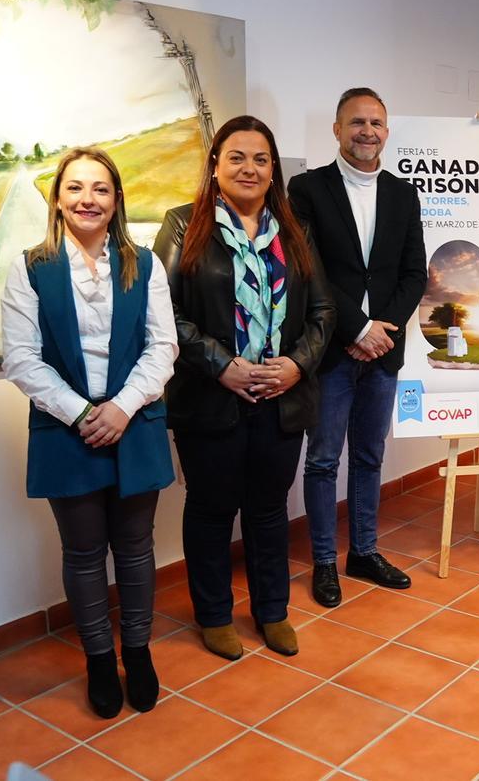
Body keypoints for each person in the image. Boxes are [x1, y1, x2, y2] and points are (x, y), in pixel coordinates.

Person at [1, 147, 177, 719]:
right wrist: (81, 413)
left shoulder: (144, 265)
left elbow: (163, 346)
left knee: (135, 548)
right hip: (64, 428)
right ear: (57, 199)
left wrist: (121, 408)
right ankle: (100, 660)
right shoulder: (31, 268)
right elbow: (21, 358)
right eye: (75, 188)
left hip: (135, 421)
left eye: (100, 189)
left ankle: (138, 653)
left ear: (116, 199)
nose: (88, 199)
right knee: (82, 553)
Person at [154, 116, 335, 659]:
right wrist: (222, 366)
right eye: (236, 157)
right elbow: (164, 313)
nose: (248, 168)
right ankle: (213, 615)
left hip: (281, 399)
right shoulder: (184, 225)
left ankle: (272, 612)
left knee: (269, 510)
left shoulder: (295, 230)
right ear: (215, 165)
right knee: (211, 510)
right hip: (211, 398)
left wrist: (297, 365)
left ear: (273, 169)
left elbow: (324, 311)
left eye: (260, 159)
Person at [290, 88, 427, 608]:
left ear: (386, 131)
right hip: (331, 349)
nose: (367, 132)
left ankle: (364, 552)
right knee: (324, 460)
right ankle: (325, 561)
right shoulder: (307, 189)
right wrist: (357, 328)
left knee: (370, 456)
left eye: (376, 123)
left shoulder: (403, 194)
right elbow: (309, 270)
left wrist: (380, 332)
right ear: (337, 129)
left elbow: (414, 273)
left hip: (383, 351)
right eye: (356, 123)